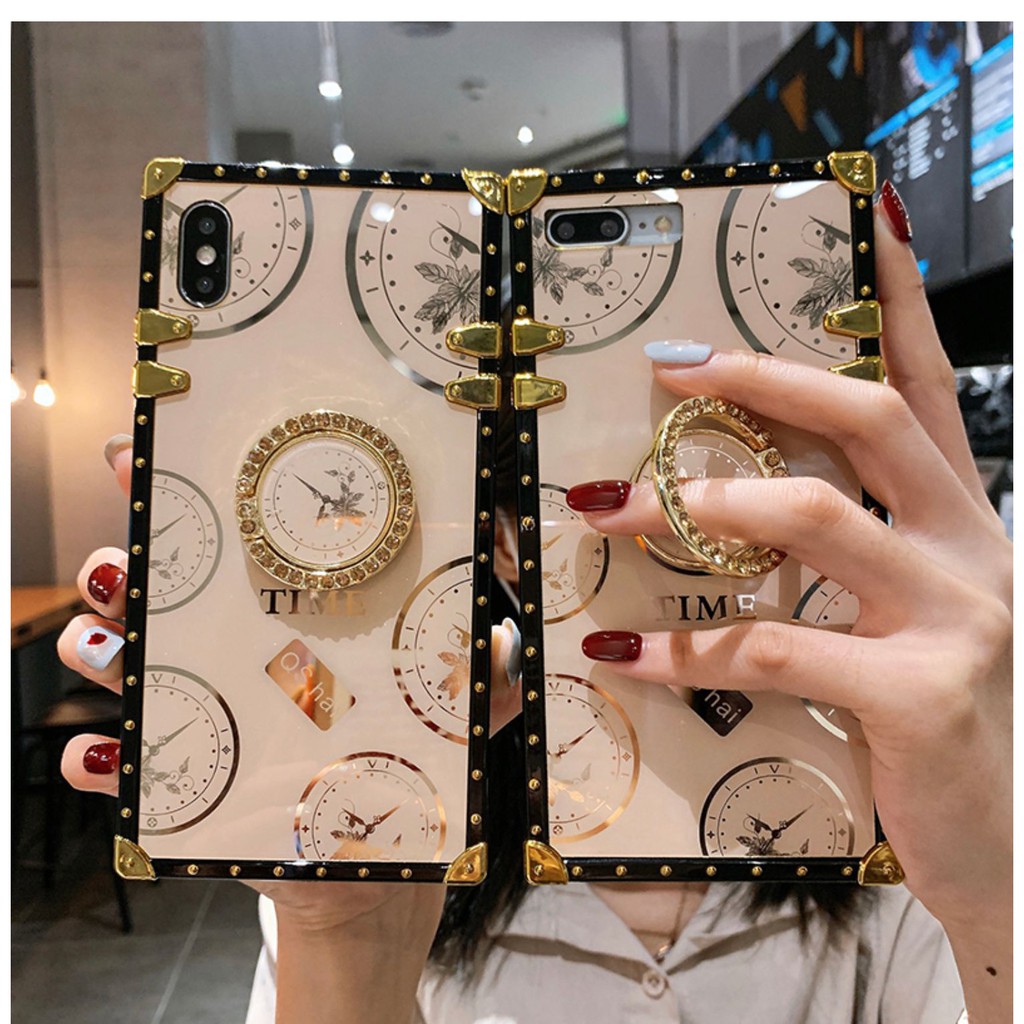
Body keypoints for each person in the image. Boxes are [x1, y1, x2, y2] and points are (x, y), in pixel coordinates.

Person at [58, 185, 1010, 1023]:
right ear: (505, 542)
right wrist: (348, 943)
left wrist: (1000, 885)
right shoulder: (378, 822)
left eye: (730, 503)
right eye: (598, 509)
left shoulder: (900, 822)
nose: (684, 556)